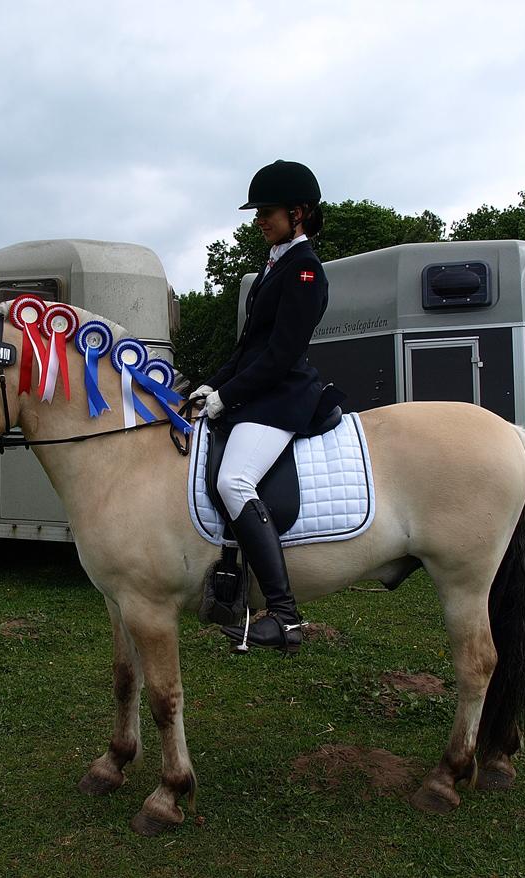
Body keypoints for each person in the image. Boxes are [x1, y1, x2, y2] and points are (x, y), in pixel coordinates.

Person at [191, 159, 331, 653]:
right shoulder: (274, 264)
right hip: (260, 392)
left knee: (234, 480)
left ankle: (285, 617)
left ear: (298, 213)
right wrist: (209, 387)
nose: (258, 220)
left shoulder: (305, 270)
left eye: (266, 212)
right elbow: (247, 348)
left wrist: (229, 396)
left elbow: (280, 354)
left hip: (283, 397)